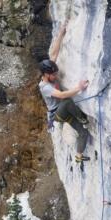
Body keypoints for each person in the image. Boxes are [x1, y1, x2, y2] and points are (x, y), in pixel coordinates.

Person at [39, 24, 90, 163]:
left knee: (84, 133)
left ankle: (79, 156)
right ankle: (83, 118)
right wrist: (79, 87)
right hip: (58, 114)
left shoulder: (48, 71)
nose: (55, 76)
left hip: (65, 112)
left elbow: (54, 53)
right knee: (67, 100)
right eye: (53, 74)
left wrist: (61, 33)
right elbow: (62, 96)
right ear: (46, 74)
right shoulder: (44, 87)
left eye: (55, 73)